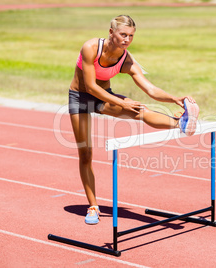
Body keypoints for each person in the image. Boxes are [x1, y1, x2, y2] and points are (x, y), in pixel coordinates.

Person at [68, 15, 199, 225]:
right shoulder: (91, 47)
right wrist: (121, 103)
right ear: (111, 32)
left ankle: (181, 123)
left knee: (140, 110)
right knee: (86, 153)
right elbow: (90, 86)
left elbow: (149, 89)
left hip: (103, 97)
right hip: (80, 99)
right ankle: (93, 206)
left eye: (131, 36)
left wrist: (174, 98)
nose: (127, 39)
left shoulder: (126, 59)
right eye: (123, 35)